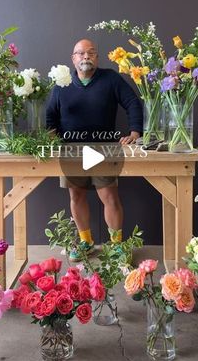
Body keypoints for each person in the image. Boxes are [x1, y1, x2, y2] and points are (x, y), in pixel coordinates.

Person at [46, 39, 142, 261]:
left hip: (104, 148)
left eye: (90, 53)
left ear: (97, 57)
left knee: (109, 195)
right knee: (76, 195)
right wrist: (52, 138)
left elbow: (132, 103)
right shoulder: (62, 83)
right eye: (80, 53)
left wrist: (135, 132)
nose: (85, 56)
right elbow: (51, 115)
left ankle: (117, 245)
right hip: (70, 149)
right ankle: (85, 241)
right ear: (73, 59)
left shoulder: (111, 79)